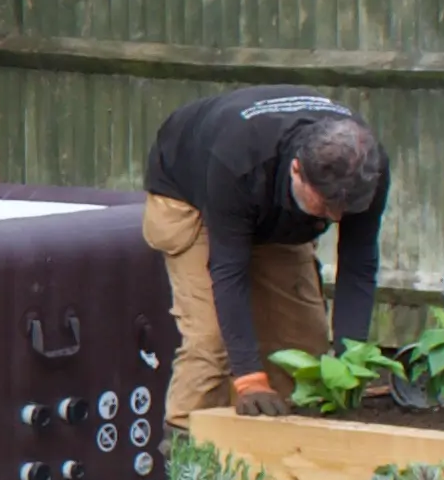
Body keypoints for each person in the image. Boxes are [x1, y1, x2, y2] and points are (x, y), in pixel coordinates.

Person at [140, 84, 390, 427]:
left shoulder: (365, 171)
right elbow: (228, 270)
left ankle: (282, 464)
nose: (334, 219)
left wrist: (351, 359)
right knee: (213, 345)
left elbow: (359, 265)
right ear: (297, 169)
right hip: (190, 196)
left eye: (344, 210)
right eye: (326, 205)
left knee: (302, 348)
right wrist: (249, 379)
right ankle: (189, 458)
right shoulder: (238, 158)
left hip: (272, 210)